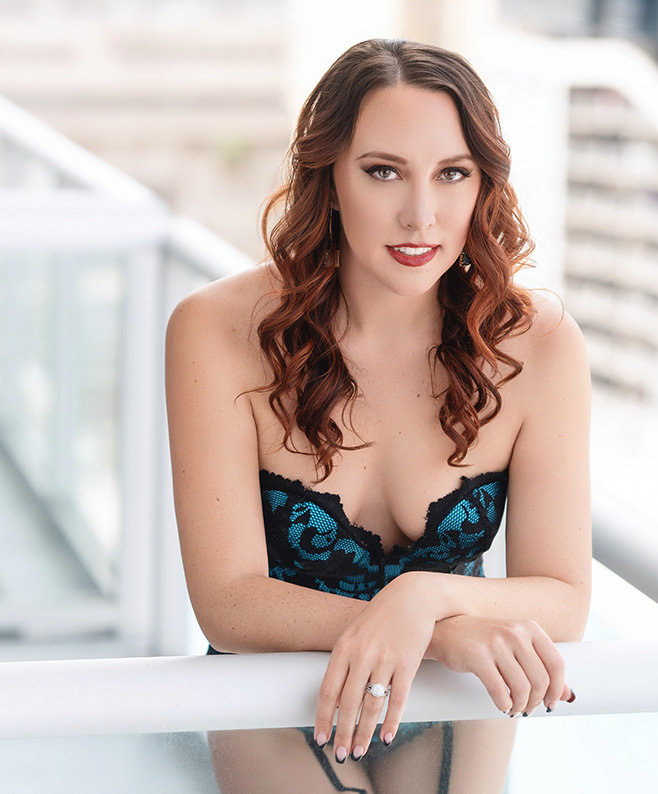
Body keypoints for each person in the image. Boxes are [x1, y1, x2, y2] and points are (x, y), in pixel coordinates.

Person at [165, 38, 591, 793]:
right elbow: (227, 602)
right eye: (383, 171)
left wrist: (422, 600)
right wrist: (443, 633)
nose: (420, 215)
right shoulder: (215, 330)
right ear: (328, 177)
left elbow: (564, 595)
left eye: (452, 173)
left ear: (482, 185)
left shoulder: (538, 345)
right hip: (279, 692)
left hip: (452, 689)